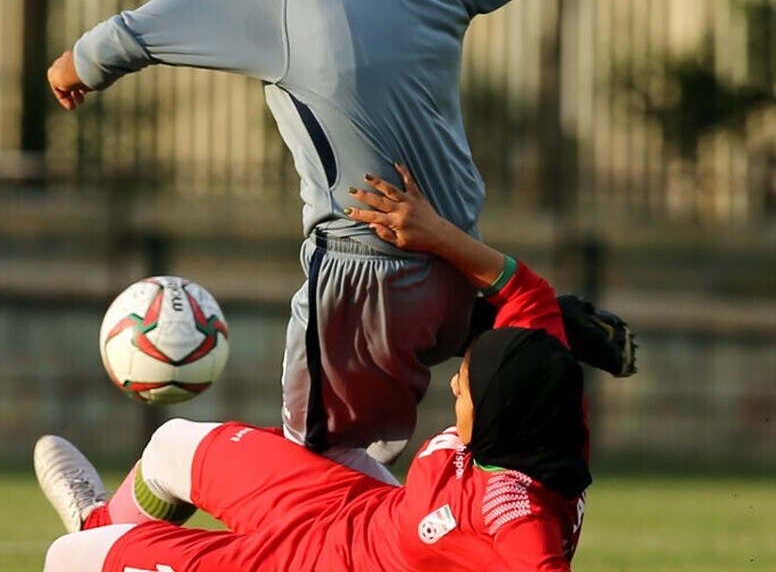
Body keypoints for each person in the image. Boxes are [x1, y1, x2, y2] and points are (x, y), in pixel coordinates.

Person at [47, 0, 694, 473]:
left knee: (314, 475)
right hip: (455, 264)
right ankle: (524, 322)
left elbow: (128, 35)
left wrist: (70, 69)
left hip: (365, 278)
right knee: (342, 466)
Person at [35, 163, 592, 571]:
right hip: (354, 507)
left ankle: (97, 537)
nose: (452, 383)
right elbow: (527, 289)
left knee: (68, 562)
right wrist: (435, 234)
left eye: (464, 387)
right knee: (171, 445)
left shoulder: (514, 508)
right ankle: (101, 523)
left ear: (503, 416)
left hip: (320, 564)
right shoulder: (545, 388)